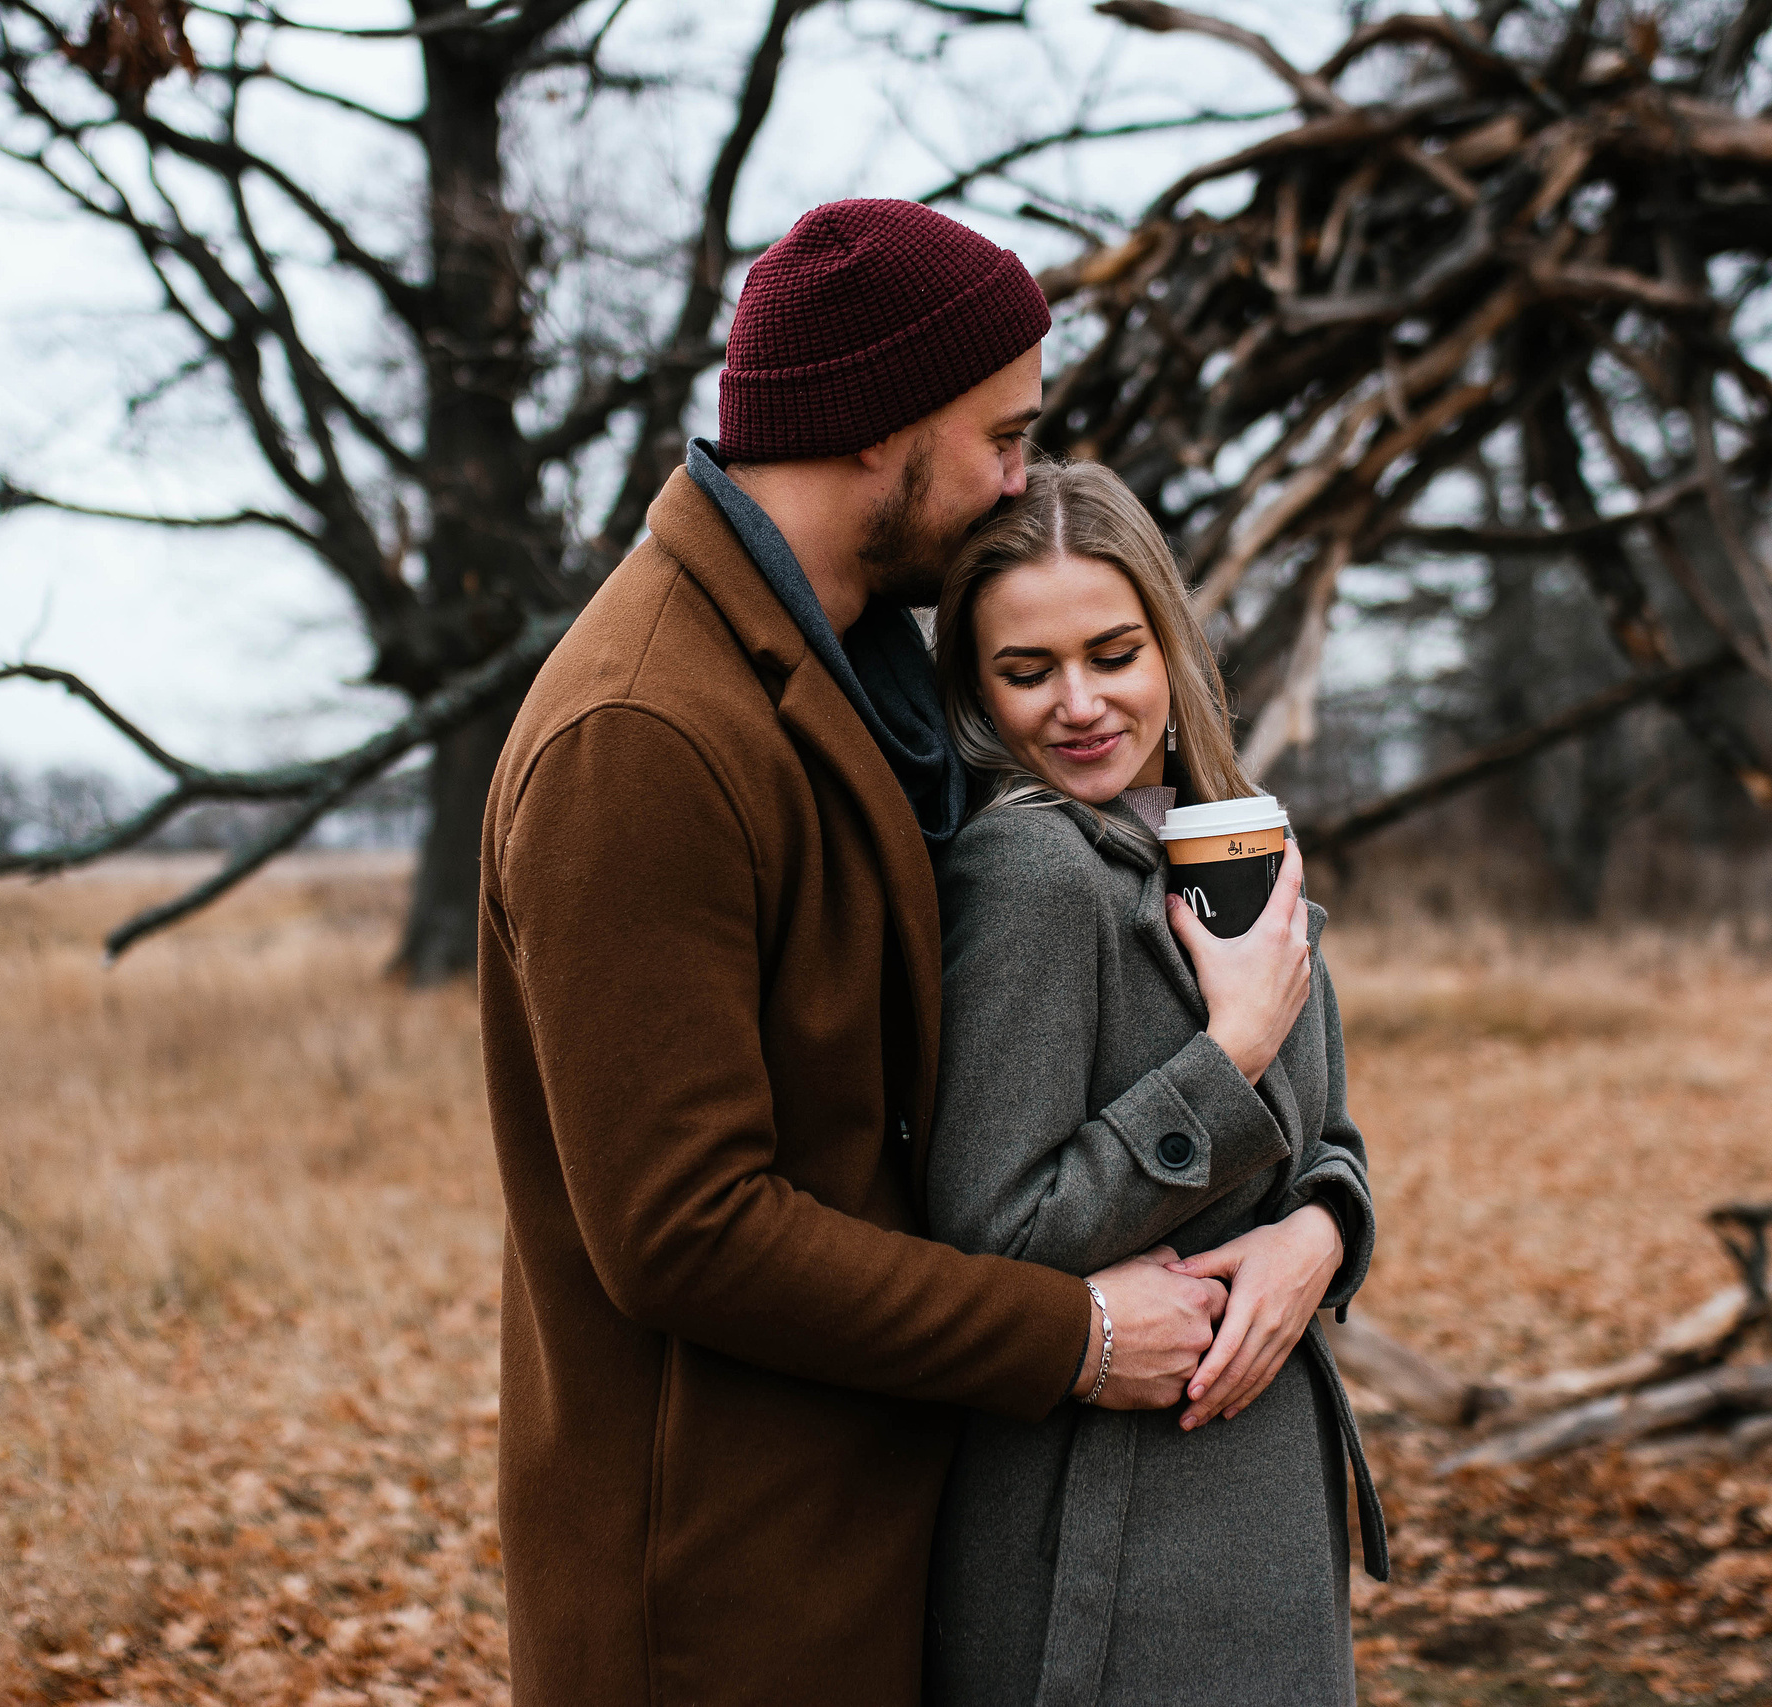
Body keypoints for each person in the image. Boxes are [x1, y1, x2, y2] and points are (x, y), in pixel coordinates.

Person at [477, 201, 1230, 1707]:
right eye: (1005, 435)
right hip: (721, 1602)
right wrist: (1074, 1336)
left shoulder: (867, 679)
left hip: (882, 1550)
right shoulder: (645, 729)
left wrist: (1305, 1215)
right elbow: (683, 1226)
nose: (1025, 475)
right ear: (890, 426)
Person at [923, 458, 1388, 1706]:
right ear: (975, 688)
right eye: (1027, 671)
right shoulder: (1028, 876)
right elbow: (991, 1232)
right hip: (1115, 1548)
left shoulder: (1222, 836)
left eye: (1112, 653)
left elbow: (1327, 1139)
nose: (1078, 703)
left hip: (1262, 1512)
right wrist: (1225, 1053)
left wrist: (1319, 1236)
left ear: (1168, 650)